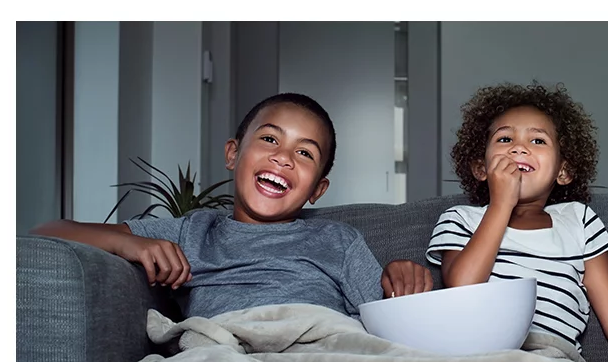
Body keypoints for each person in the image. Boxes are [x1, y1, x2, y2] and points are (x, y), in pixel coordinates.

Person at [32, 92, 433, 320]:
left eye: (305, 154)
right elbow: (49, 231)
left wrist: (402, 279)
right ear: (232, 154)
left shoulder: (337, 240)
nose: (284, 158)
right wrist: (130, 243)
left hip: (319, 352)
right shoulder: (194, 231)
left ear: (318, 190)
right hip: (225, 358)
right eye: (270, 140)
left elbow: (392, 325)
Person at [425, 82, 608, 362]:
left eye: (537, 141)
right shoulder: (461, 220)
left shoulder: (579, 221)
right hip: (483, 361)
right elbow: (462, 288)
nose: (519, 148)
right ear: (482, 168)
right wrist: (501, 204)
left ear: (563, 171)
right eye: (505, 138)